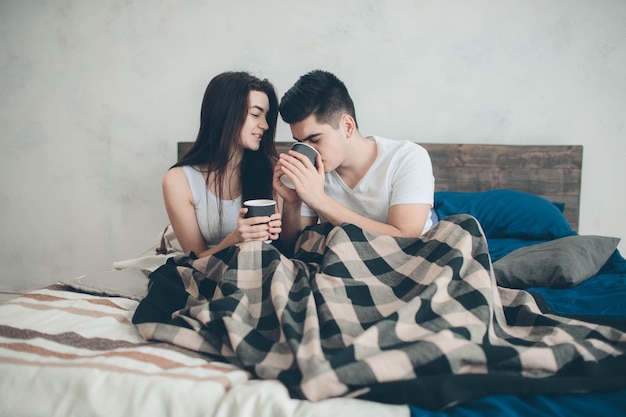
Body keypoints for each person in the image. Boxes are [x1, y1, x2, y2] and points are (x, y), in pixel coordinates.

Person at [273, 70, 438, 249]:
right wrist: (293, 203)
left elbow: (405, 237)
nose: (308, 151)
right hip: (341, 262)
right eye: (300, 142)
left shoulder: (407, 157)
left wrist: (320, 200)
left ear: (347, 126)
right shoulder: (314, 173)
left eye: (315, 139)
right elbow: (294, 246)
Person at [162, 71, 282, 258]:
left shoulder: (270, 168)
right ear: (226, 114)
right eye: (256, 114)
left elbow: (289, 246)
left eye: (266, 116)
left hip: (264, 266)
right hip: (210, 272)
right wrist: (235, 239)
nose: (265, 125)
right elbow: (194, 260)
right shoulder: (179, 180)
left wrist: (291, 205)